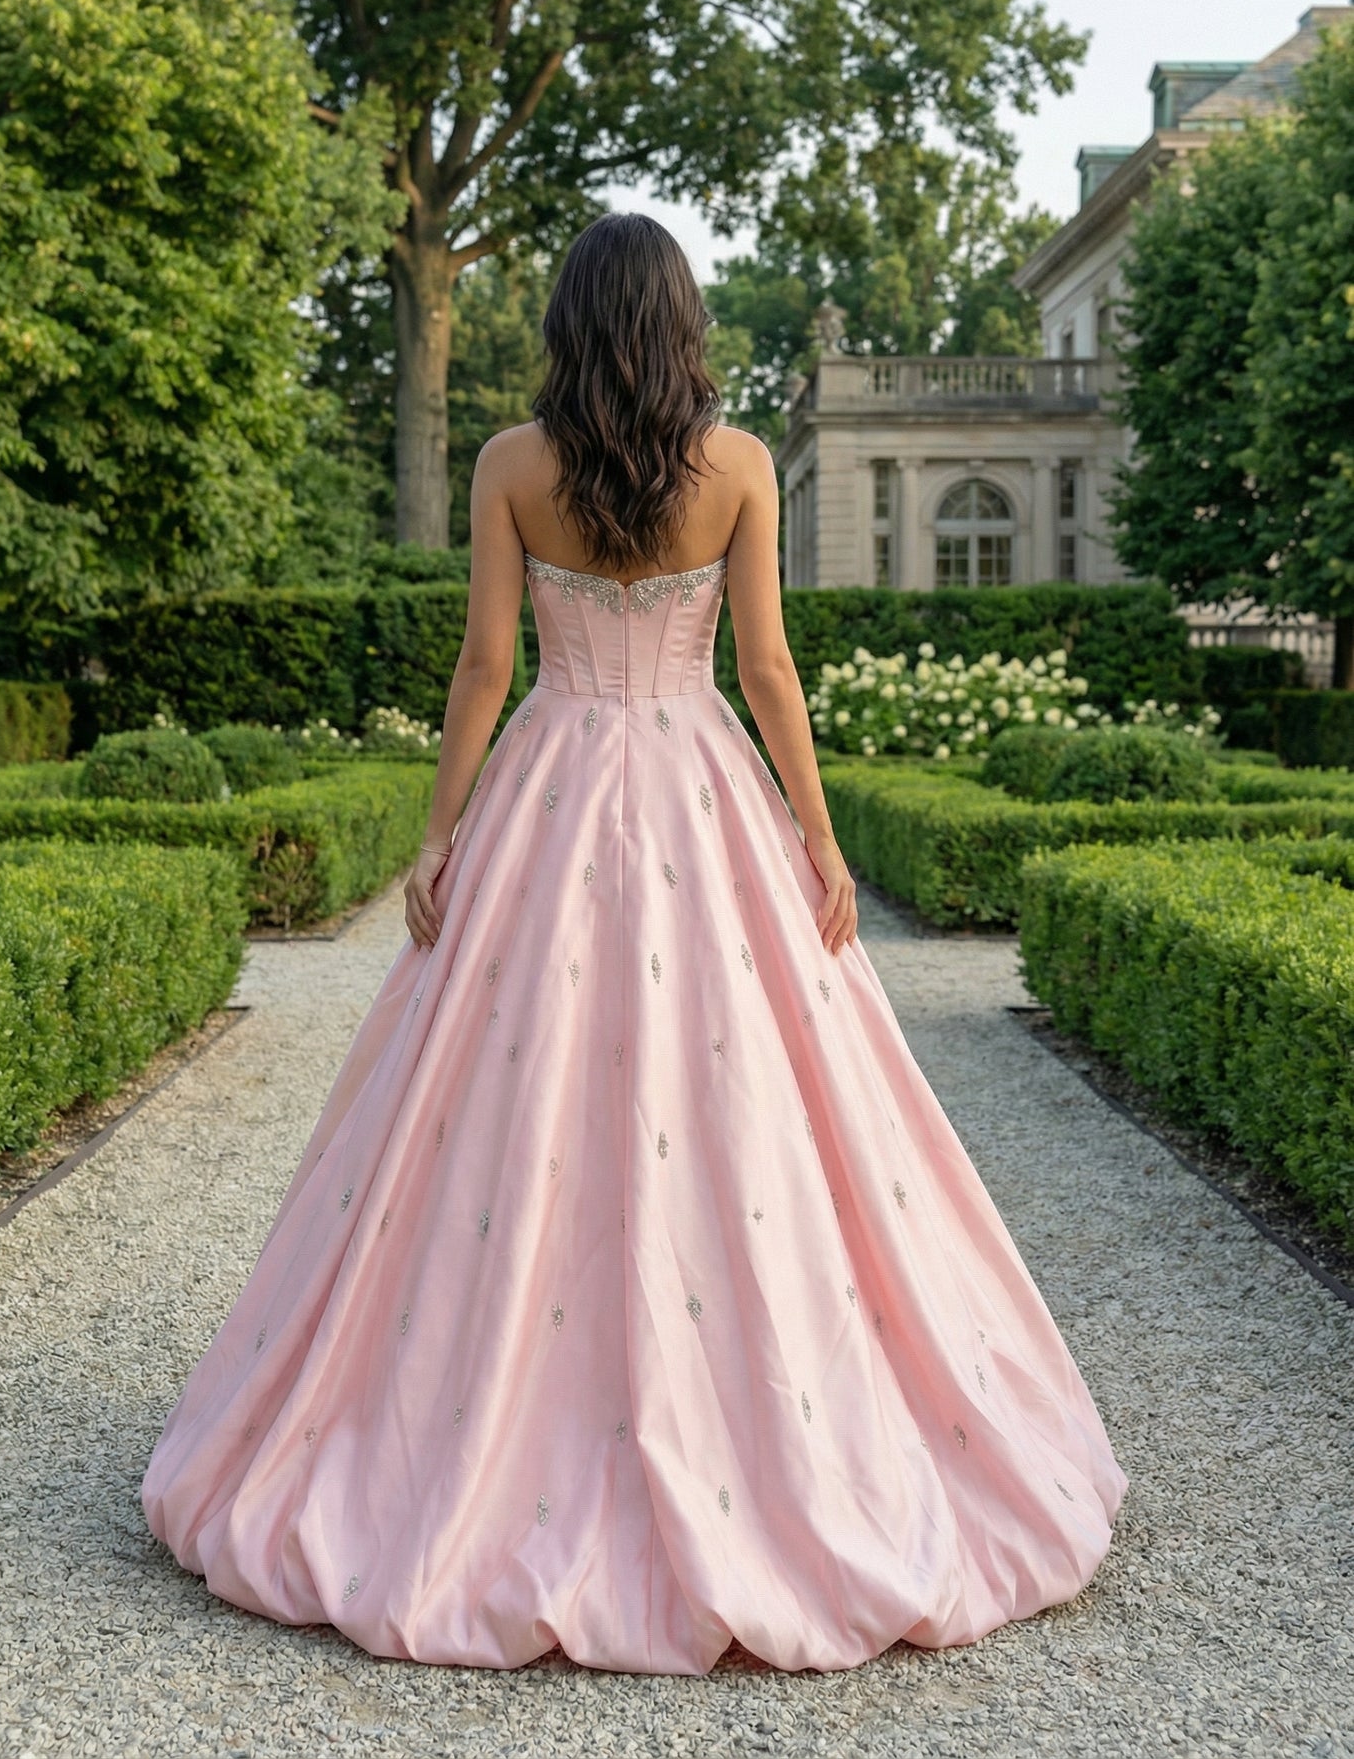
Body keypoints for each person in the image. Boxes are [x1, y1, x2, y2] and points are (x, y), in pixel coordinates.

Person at [141, 212, 1127, 1675]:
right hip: (693, 780)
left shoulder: (506, 465)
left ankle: (479, 1419)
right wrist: (815, 831)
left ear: (563, 321)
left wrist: (439, 836)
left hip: (552, 775)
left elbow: (485, 665)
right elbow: (767, 668)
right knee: (742, 1087)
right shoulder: (730, 467)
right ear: (679, 323)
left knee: (502, 1082)